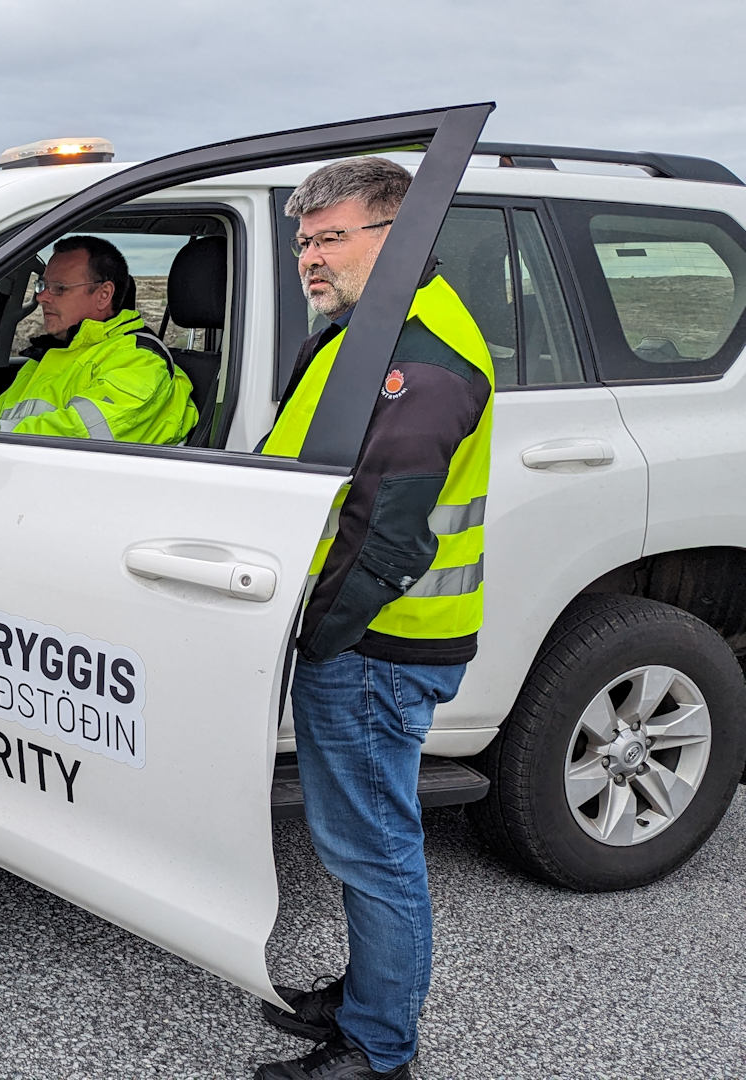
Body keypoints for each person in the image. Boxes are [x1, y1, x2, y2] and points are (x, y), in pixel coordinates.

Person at [253, 157, 495, 1080]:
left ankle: (379, 1048)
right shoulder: (372, 329)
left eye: (333, 238)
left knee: (372, 848)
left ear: (401, 237)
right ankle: (367, 1002)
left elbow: (388, 540)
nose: (310, 258)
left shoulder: (417, 359)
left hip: (375, 647)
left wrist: (319, 634)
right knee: (364, 840)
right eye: (305, 241)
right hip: (373, 643)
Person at [0, 236, 198, 444]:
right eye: (43, 285)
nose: (41, 296)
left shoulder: (141, 361)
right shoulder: (53, 355)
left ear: (103, 295)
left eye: (59, 288)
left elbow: (79, 434)